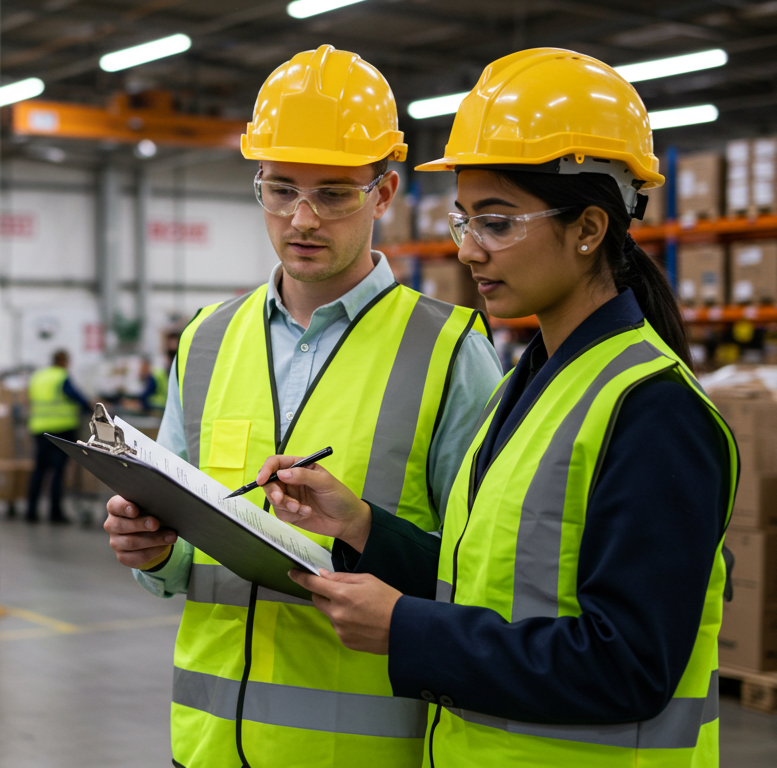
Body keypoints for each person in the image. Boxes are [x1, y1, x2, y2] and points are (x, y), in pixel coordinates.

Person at [260, 48, 735, 767]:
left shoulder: (653, 413)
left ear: (588, 229)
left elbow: (629, 666)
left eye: (497, 222)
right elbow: (482, 585)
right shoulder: (531, 386)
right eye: (463, 222)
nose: (471, 252)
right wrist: (358, 524)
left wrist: (407, 631)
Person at [101, 45, 504, 766]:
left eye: (334, 193)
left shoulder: (449, 351)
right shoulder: (205, 341)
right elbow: (180, 531)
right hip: (206, 745)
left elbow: (481, 577)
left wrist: (360, 530)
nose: (302, 218)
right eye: (280, 189)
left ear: (384, 193)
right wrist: (154, 551)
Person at [26, 349, 91, 524]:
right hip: (62, 429)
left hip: (39, 429)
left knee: (39, 470)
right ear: (64, 361)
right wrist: (89, 407)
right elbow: (74, 396)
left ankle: (31, 511)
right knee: (57, 470)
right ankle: (55, 512)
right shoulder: (61, 376)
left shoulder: (38, 377)